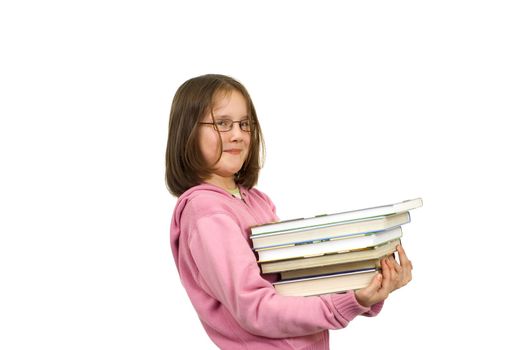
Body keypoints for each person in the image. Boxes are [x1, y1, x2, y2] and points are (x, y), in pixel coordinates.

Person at [165, 74, 413, 350]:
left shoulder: (256, 201)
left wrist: (369, 286)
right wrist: (347, 304)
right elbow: (255, 309)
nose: (237, 134)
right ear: (189, 131)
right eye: (222, 123)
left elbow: (293, 283)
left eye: (244, 124)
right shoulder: (206, 212)